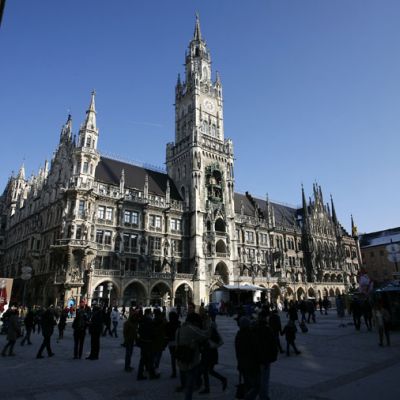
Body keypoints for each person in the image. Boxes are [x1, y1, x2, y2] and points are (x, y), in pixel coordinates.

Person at [175, 312, 210, 400]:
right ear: (194, 321)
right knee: (190, 385)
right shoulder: (193, 329)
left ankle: (190, 387)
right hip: (191, 360)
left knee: (186, 381)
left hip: (180, 359)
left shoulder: (179, 329)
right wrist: (210, 327)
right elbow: (205, 335)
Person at [199, 315, 227, 394]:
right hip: (211, 354)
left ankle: (207, 388)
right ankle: (222, 379)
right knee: (209, 371)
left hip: (208, 354)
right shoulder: (211, 330)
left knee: (205, 371)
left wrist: (210, 345)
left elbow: (218, 342)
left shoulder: (210, 331)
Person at [254, 310, 278, 400]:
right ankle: (263, 396)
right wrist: (273, 357)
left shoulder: (254, 329)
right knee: (264, 379)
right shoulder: (267, 330)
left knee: (258, 378)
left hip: (256, 358)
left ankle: (258, 394)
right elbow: (273, 344)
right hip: (265, 359)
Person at [235, 316, 260, 400]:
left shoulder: (239, 335)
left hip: (242, 364)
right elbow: (256, 350)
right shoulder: (250, 335)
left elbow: (238, 352)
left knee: (248, 384)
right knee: (256, 385)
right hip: (252, 365)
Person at [137, 308, 159, 380]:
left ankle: (140, 374)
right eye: (150, 313)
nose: (151, 314)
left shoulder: (142, 320)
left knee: (143, 359)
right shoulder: (149, 321)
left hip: (143, 342)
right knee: (150, 359)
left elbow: (139, 331)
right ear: (148, 314)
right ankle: (152, 374)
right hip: (149, 342)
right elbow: (153, 332)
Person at [166, 310, 181, 378]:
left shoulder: (168, 324)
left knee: (173, 358)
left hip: (171, 342)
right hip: (178, 342)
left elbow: (167, 333)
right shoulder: (178, 324)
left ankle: (174, 372)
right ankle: (181, 370)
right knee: (179, 357)